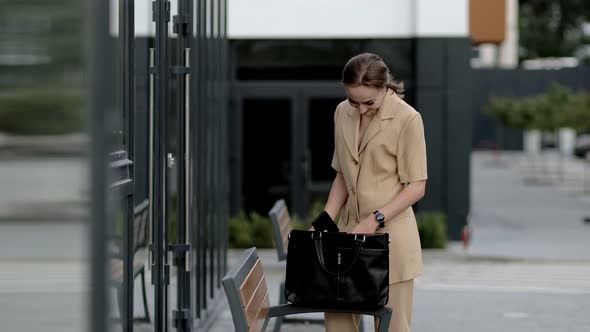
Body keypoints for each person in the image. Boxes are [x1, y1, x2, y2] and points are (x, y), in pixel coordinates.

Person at [316, 53, 428, 332]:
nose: (361, 109)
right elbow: (343, 173)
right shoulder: (342, 112)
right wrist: (324, 222)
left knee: (392, 327)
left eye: (369, 102)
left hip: (392, 241)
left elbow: (416, 186)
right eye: (354, 100)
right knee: (337, 320)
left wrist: (374, 219)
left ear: (385, 87)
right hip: (347, 237)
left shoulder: (408, 119)